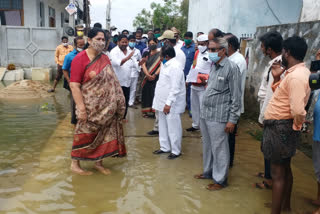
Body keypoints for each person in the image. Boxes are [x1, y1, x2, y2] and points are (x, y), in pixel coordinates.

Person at [262, 36, 310, 214]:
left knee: (277, 174)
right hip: (281, 126)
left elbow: (298, 110)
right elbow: (283, 98)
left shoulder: (296, 77)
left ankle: (278, 211)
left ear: (287, 52)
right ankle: (286, 207)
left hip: (281, 127)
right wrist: (276, 79)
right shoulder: (294, 74)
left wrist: (296, 127)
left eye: (282, 51)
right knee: (285, 169)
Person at [69, 28, 126, 175]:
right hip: (88, 107)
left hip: (106, 109)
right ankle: (75, 164)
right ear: (89, 40)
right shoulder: (79, 59)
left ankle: (98, 163)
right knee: (83, 133)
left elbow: (112, 81)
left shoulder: (105, 58)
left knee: (104, 134)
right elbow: (74, 85)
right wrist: (81, 108)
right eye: (98, 39)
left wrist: (117, 103)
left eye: (103, 39)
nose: (101, 42)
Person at [194, 38, 241, 191]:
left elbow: (236, 96)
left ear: (223, 50)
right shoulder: (214, 66)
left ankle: (220, 180)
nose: (211, 52)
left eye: (214, 50)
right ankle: (208, 172)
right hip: (206, 113)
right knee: (207, 145)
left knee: (220, 147)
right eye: (210, 49)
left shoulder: (231, 68)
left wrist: (232, 120)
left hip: (219, 115)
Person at [256, 31, 283, 189]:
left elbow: (270, 95)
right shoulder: (275, 62)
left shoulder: (276, 65)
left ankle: (269, 180)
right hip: (269, 112)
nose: (260, 48)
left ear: (269, 49)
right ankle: (269, 174)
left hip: (270, 114)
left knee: (269, 147)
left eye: (262, 46)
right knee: (267, 147)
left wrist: (262, 117)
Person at [152, 44, 186, 159]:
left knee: (173, 127)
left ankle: (176, 150)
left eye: (160, 55)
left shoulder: (176, 67)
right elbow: (162, 83)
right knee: (163, 125)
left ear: (166, 56)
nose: (159, 57)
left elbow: (175, 88)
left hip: (172, 103)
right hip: (162, 100)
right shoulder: (165, 64)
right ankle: (165, 147)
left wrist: (168, 103)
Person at [225, 34, 247, 168]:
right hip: (227, 104)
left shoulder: (237, 61)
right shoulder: (230, 59)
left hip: (232, 104)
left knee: (229, 137)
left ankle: (228, 163)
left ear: (230, 46)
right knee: (226, 137)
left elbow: (234, 87)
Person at [186, 34, 211, 132]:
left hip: (203, 86)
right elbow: (194, 66)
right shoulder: (197, 53)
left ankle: (204, 128)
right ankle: (195, 125)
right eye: (199, 44)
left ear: (207, 44)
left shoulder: (210, 55)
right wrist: (188, 79)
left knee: (203, 108)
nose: (200, 46)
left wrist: (207, 81)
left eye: (202, 44)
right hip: (194, 83)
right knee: (195, 106)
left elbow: (213, 70)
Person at [110, 35, 135, 119]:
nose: (124, 44)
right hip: (117, 82)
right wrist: (128, 57)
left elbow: (134, 64)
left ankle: (123, 117)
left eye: (126, 42)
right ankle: (115, 118)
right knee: (117, 101)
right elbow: (119, 63)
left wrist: (141, 63)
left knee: (125, 100)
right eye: (122, 42)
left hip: (127, 81)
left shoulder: (129, 51)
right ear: (118, 42)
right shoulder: (114, 52)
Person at [62, 36, 85, 125]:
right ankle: (74, 121)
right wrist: (69, 81)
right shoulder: (69, 56)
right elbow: (64, 69)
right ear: (75, 45)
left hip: (85, 82)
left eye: (83, 45)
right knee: (74, 102)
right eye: (80, 45)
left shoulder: (86, 54)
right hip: (74, 83)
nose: (82, 46)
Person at [141, 38, 161, 118]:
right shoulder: (146, 53)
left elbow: (161, 65)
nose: (151, 45)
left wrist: (155, 75)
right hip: (146, 76)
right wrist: (148, 75)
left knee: (154, 94)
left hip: (156, 77)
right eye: (150, 43)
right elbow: (143, 64)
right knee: (146, 93)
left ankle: (154, 111)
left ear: (157, 43)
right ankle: (145, 111)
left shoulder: (160, 54)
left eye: (153, 43)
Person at [181, 31, 196, 115]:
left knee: (190, 93)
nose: (186, 40)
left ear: (191, 38)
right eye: (185, 38)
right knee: (182, 92)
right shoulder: (182, 49)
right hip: (182, 73)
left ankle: (191, 110)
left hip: (191, 73)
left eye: (188, 38)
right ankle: (183, 108)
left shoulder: (194, 48)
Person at [127, 35, 143, 108]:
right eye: (131, 41)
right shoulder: (125, 50)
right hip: (126, 71)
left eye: (133, 41)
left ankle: (131, 102)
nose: (132, 42)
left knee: (133, 88)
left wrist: (140, 70)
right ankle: (125, 102)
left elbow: (140, 60)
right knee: (126, 87)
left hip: (135, 71)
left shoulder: (137, 51)